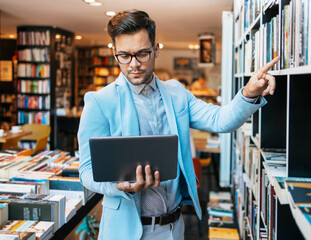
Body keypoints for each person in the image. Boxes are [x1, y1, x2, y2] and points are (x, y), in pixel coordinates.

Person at [77, 9, 279, 240]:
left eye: (143, 53)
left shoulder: (176, 93)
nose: (134, 64)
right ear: (114, 53)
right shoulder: (99, 102)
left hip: (174, 227)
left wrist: (249, 92)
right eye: (124, 55)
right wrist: (120, 187)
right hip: (125, 231)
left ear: (156, 49)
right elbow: (86, 171)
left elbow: (220, 119)